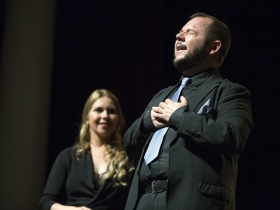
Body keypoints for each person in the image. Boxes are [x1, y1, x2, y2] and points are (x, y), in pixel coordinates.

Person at [124, 12, 253, 210]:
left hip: (192, 200)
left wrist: (179, 118)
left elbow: (233, 137)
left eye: (189, 32)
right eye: (179, 32)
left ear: (214, 47)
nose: (178, 36)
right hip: (145, 200)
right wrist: (146, 122)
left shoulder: (229, 91)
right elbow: (129, 147)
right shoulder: (163, 95)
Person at [39, 89, 134, 210]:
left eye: (111, 111)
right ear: (87, 118)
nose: (105, 115)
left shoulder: (128, 158)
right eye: (98, 110)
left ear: (118, 119)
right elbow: (45, 202)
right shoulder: (68, 156)